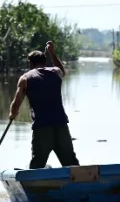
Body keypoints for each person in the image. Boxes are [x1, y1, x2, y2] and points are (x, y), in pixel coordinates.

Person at [8, 41, 80, 169]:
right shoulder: (55, 72)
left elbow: (16, 102)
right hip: (60, 124)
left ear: (30, 63)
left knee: (37, 164)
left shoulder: (25, 78)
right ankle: (80, 185)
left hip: (42, 127)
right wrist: (52, 53)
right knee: (71, 163)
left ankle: (34, 186)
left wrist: (12, 114)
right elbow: (62, 70)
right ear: (45, 62)